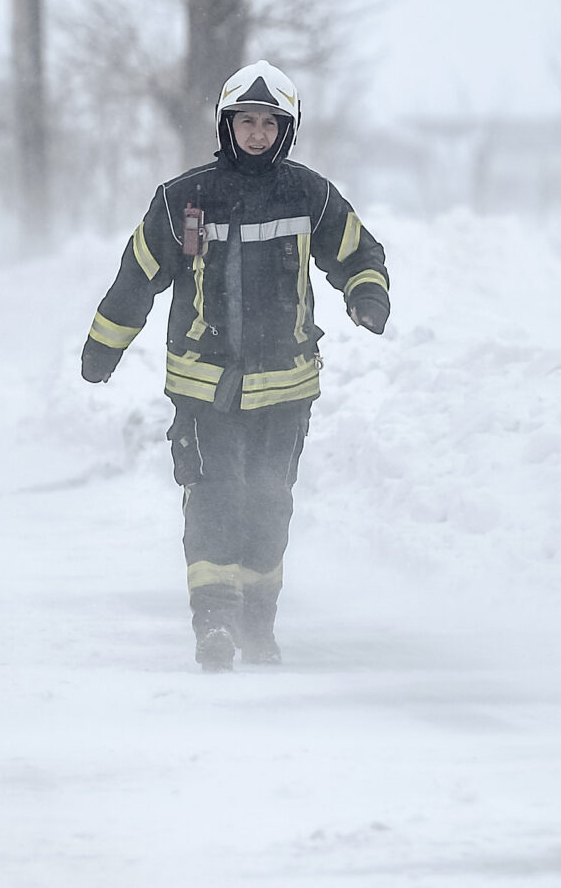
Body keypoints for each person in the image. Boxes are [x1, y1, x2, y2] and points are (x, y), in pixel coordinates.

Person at [79, 61, 391, 672]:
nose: (256, 134)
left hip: (287, 387)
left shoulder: (310, 195)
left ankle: (258, 623)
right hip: (204, 389)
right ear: (226, 127)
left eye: (269, 124)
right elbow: (136, 278)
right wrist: (103, 346)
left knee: (269, 504)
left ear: (288, 130)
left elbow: (359, 251)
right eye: (245, 122)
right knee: (217, 498)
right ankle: (215, 624)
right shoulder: (183, 200)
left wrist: (366, 293)